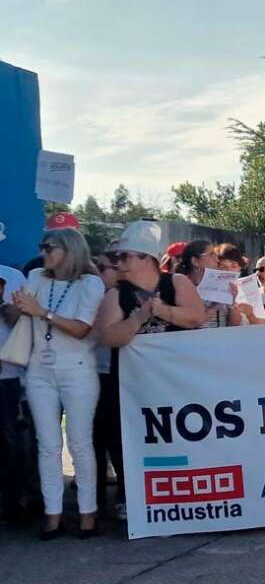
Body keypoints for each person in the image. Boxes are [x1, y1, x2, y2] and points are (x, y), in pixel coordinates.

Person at [94, 223, 206, 521]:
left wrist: (163, 311)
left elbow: (196, 317)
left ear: (146, 258)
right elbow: (106, 336)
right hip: (133, 386)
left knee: (182, 436)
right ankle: (131, 495)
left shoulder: (176, 283)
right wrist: (140, 317)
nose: (119, 262)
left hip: (176, 383)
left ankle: (186, 496)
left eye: (125, 256)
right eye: (117, 257)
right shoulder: (117, 295)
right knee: (129, 439)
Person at [8, 228, 105, 539]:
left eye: (49, 247)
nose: (44, 252)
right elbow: (17, 317)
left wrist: (43, 312)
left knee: (80, 442)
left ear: (69, 249)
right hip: (39, 369)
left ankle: (88, 513)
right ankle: (53, 515)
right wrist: (16, 307)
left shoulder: (90, 282)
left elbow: (81, 329)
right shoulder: (36, 276)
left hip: (76, 369)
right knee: (48, 445)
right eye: (43, 246)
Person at [0, 261, 37, 527]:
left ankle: (15, 504)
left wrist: (8, 309)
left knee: (10, 442)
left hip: (8, 376)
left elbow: (25, 321)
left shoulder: (11, 276)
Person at [91, 254, 122, 519]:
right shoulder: (90, 293)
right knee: (94, 440)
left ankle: (124, 496)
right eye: (95, 268)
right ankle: (95, 499)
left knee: (118, 440)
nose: (98, 273)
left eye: (103, 268)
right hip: (90, 373)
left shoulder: (124, 296)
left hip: (117, 375)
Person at [176, 240, 243, 329]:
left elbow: (235, 323)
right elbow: (190, 322)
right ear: (195, 261)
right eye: (211, 255)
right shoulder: (182, 287)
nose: (217, 259)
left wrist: (232, 301)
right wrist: (215, 305)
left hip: (221, 341)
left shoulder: (221, 284)